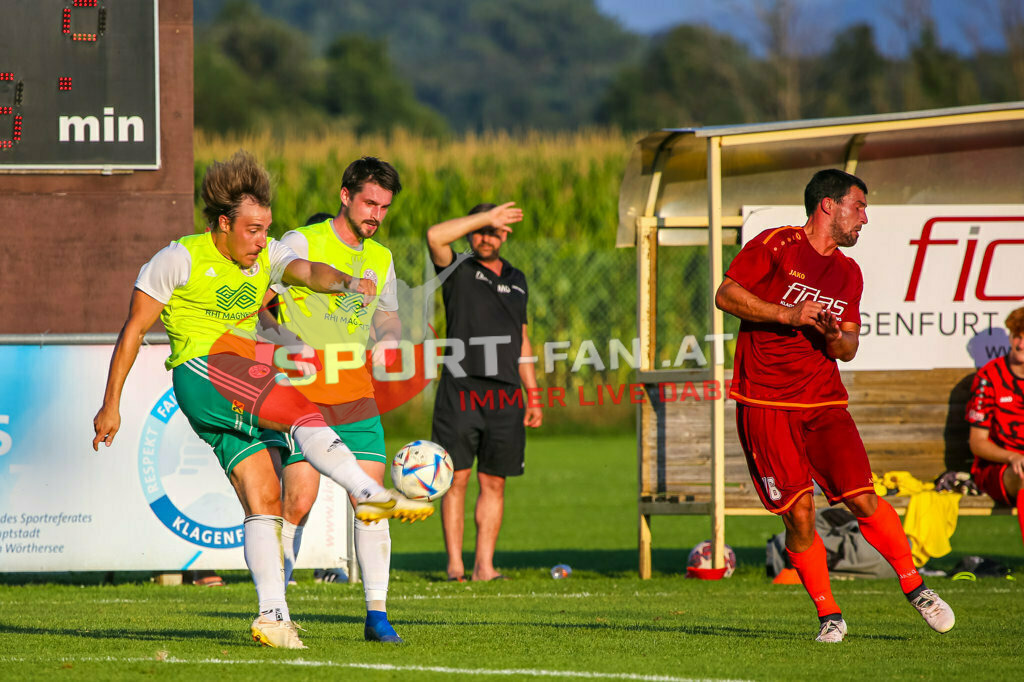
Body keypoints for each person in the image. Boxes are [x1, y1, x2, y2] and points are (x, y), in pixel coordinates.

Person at [92, 150, 431, 650]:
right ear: (224, 224)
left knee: (264, 497)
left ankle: (273, 616)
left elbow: (309, 272)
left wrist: (344, 283)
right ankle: (367, 490)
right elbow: (132, 331)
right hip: (204, 370)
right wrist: (110, 404)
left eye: (265, 228)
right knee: (302, 410)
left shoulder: (268, 255)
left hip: (236, 382)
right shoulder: (179, 258)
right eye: (252, 230)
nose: (260, 240)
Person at [714, 169, 954, 643]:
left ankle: (916, 587)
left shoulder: (848, 272)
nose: (864, 218)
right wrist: (787, 314)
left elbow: (847, 349)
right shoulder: (776, 245)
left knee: (863, 496)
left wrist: (831, 335)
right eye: (858, 207)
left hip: (824, 402)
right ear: (829, 205)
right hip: (765, 402)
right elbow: (726, 295)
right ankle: (829, 615)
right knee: (799, 512)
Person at [258, 158, 410, 643]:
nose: (376, 215)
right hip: (304, 394)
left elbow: (387, 317)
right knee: (297, 500)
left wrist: (389, 340)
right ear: (345, 196)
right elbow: (258, 298)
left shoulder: (380, 258)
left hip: (356, 395)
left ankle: (377, 616)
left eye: (384, 207)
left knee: (371, 502)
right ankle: (275, 608)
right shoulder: (303, 243)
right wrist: (279, 337)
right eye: (369, 203)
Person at [425, 202, 543, 582]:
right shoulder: (457, 268)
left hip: (507, 394)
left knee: (494, 481)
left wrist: (534, 393)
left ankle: (484, 567)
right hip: (460, 389)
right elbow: (434, 235)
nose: (486, 237)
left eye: (494, 230)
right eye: (481, 230)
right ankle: (455, 567)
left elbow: (522, 338)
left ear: (505, 234)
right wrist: (484, 218)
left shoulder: (518, 278)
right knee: (456, 478)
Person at [966, 306, 1024, 544]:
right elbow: (977, 443)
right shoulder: (989, 376)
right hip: (998, 469)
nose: (1020, 344)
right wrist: (1012, 457)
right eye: (1017, 336)